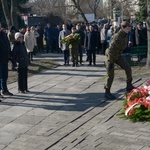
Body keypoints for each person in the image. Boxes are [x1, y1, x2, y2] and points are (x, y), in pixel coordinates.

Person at [104, 21, 135, 100]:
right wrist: (110, 61)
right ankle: (107, 91)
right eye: (127, 28)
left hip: (118, 55)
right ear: (122, 28)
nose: (129, 29)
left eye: (129, 28)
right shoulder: (117, 36)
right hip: (110, 55)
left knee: (128, 68)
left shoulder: (125, 35)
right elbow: (111, 49)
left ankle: (129, 85)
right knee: (110, 74)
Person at [0, 23, 13, 98]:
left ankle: (4, 90)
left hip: (5, 59)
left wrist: (9, 55)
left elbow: (7, 44)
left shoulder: (3, 34)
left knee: (5, 76)